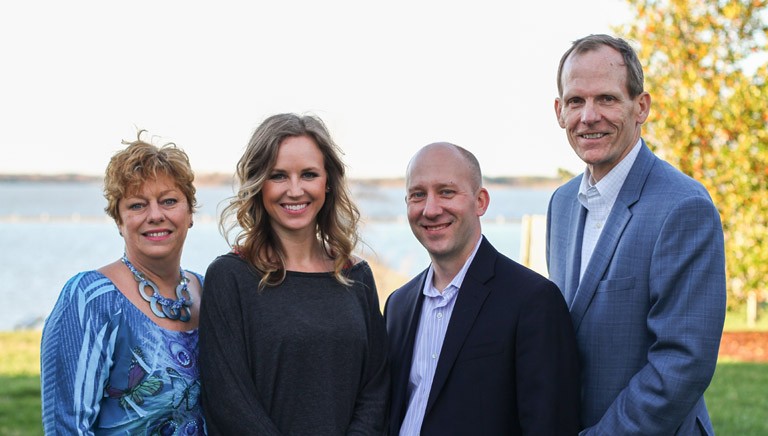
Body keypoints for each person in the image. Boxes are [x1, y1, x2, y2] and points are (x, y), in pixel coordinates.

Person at [547, 34, 727, 434]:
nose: (589, 116)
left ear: (640, 107)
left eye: (607, 99)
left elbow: (683, 361)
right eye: (576, 101)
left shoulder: (684, 207)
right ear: (559, 112)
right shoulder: (560, 204)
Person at [198, 113, 389, 435]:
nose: (295, 190)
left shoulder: (356, 276)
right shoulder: (229, 276)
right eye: (279, 176)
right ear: (258, 184)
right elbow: (228, 401)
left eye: (309, 174)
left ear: (328, 182)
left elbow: (376, 388)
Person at [385, 142, 580, 435]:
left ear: (481, 202)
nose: (431, 209)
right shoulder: (398, 305)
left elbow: (549, 425)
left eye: (446, 192)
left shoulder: (533, 301)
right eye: (417, 195)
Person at [40, 132, 206, 434]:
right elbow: (67, 427)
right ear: (118, 220)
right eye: (137, 205)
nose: (155, 215)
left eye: (169, 201)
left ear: (190, 212)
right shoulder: (91, 299)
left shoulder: (211, 292)